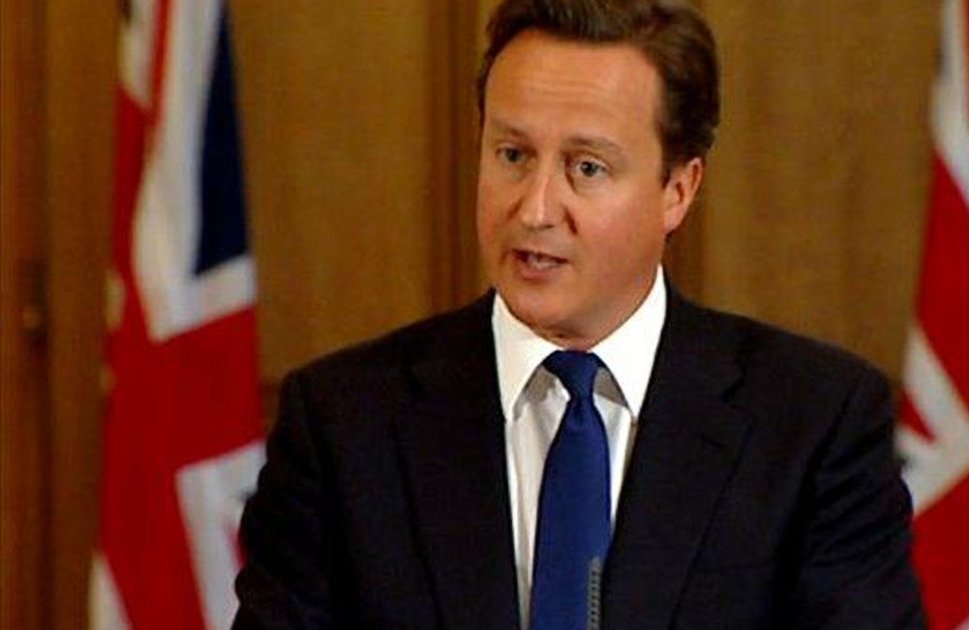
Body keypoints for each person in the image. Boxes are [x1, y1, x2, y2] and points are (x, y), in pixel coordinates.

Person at [233, 0, 925, 628]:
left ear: (678, 190)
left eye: (586, 167)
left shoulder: (815, 425)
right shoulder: (344, 425)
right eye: (512, 155)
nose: (534, 210)